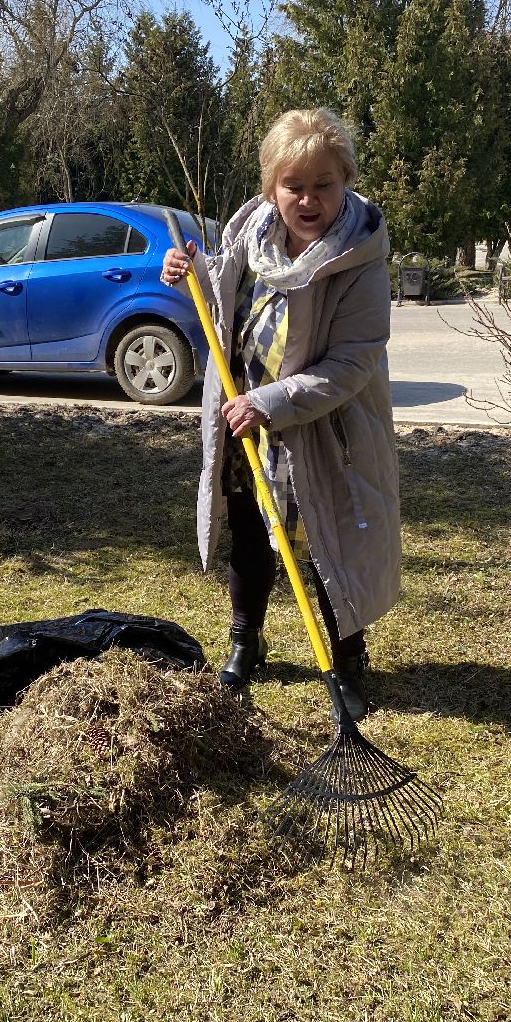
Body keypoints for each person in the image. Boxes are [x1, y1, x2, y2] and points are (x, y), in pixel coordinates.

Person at [161, 107, 401, 721]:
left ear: (346, 179)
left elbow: (352, 363)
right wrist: (187, 275)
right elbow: (228, 307)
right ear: (272, 187)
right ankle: (247, 642)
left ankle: (347, 662)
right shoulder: (249, 236)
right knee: (247, 534)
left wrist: (269, 403)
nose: (309, 198)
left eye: (324, 183)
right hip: (243, 421)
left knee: (328, 543)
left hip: (323, 429)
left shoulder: (360, 258)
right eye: (294, 185)